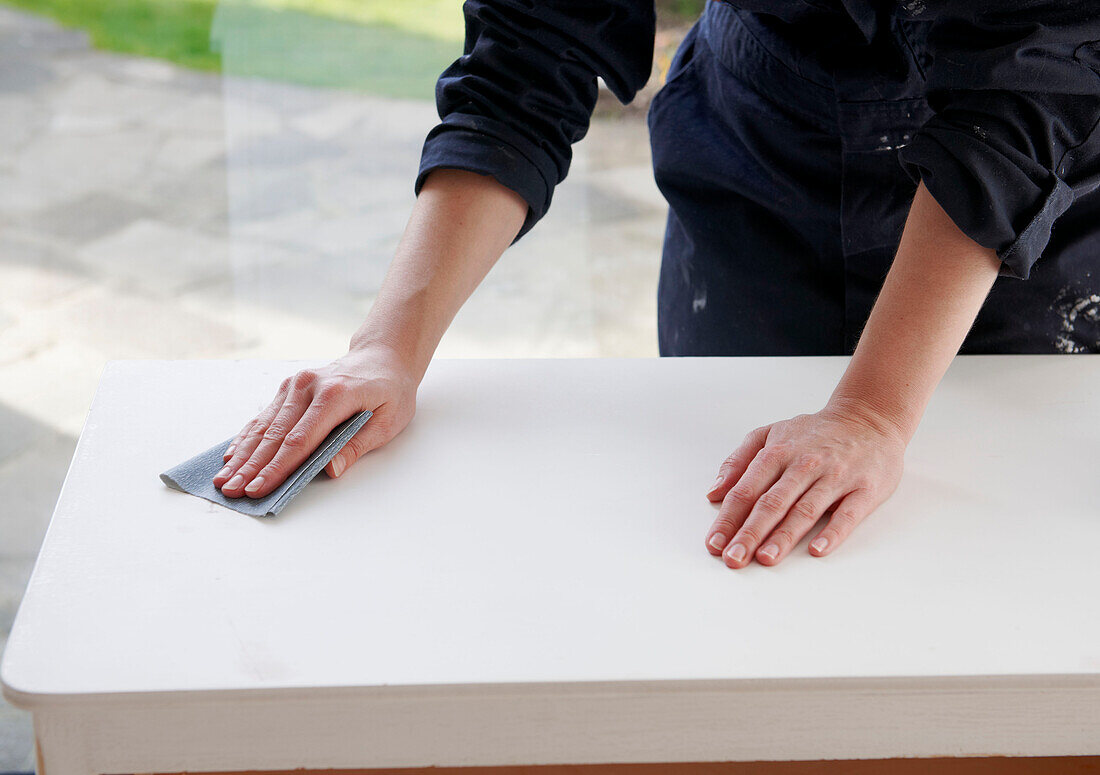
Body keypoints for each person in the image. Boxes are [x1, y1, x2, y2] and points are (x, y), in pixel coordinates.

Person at [211, 0, 1100, 568]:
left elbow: (1019, 89)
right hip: (758, 157)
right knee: (732, 565)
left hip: (1026, 219)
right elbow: (528, 55)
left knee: (981, 577)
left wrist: (871, 412)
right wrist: (387, 350)